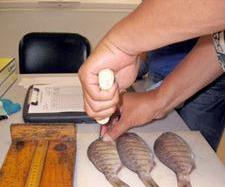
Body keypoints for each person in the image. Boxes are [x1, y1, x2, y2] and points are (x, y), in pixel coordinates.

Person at [78, 0, 225, 147]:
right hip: (185, 71)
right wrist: (157, 100)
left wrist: (119, 45)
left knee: (196, 146)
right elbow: (220, 45)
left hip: (208, 85)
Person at [135, 38, 225, 151]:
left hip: (206, 82)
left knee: (193, 151)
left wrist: (157, 99)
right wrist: (140, 60)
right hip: (159, 68)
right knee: (156, 144)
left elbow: (219, 43)